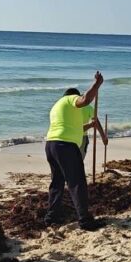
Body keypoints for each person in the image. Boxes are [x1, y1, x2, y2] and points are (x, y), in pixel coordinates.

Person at [44, 72, 105, 231]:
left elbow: (74, 127)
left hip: (51, 145)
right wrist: (97, 84)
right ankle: (85, 221)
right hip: (66, 146)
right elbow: (85, 99)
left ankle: (51, 217)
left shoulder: (56, 106)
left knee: (57, 182)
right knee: (77, 182)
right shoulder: (70, 99)